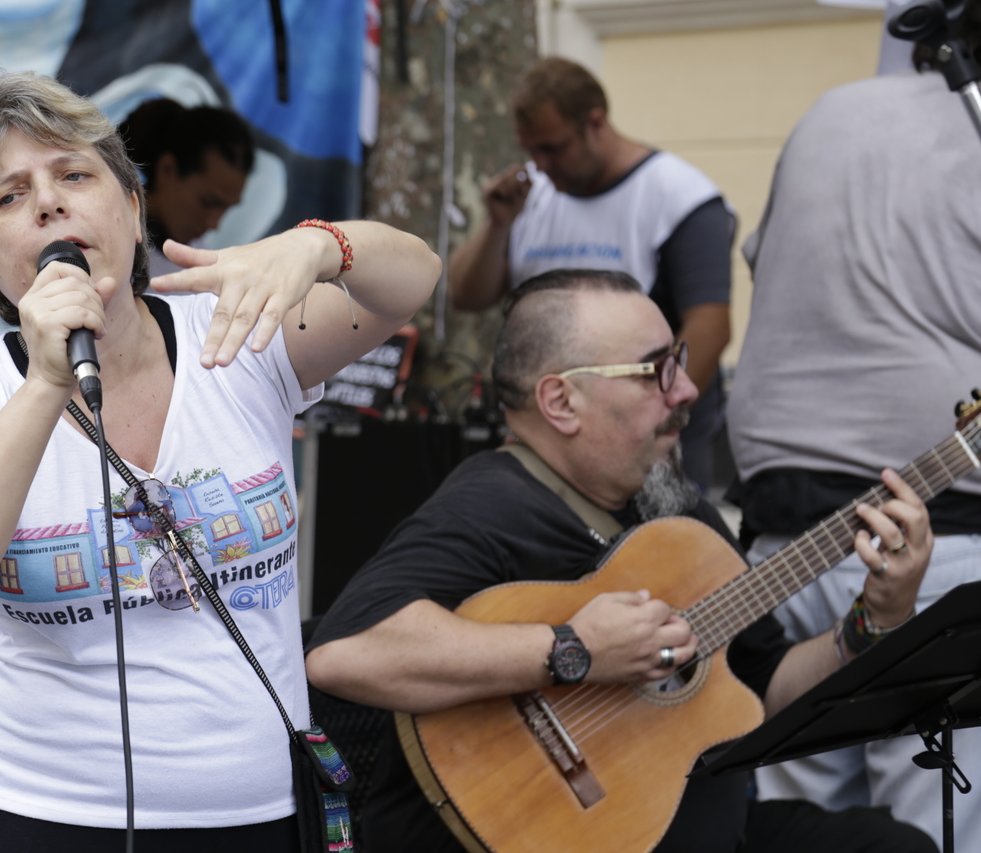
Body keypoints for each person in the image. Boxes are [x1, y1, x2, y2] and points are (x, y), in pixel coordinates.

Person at [0, 71, 439, 852]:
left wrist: (319, 246)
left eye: (74, 175)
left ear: (134, 206)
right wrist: (45, 384)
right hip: (52, 819)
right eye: (10, 196)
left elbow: (412, 280)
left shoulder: (236, 335)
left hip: (265, 812)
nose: (49, 204)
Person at [304, 269, 937, 853]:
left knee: (892, 847)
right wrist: (574, 649)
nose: (687, 388)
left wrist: (874, 619)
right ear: (561, 402)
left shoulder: (677, 507)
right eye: (655, 370)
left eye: (678, 361)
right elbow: (346, 654)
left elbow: (765, 688)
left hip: (692, 829)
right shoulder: (489, 506)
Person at [725, 7, 981, 847]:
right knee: (938, 828)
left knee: (813, 834)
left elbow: (767, 258)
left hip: (781, 552)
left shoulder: (834, 109)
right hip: (938, 539)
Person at [447, 57, 733, 490]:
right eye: (530, 150)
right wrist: (498, 224)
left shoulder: (677, 197)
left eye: (553, 148)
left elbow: (710, 326)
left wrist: (652, 417)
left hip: (649, 454)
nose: (541, 164)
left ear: (595, 122)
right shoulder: (532, 195)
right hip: (544, 451)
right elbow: (465, 295)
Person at [117, 98, 254, 276]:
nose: (214, 224)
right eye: (207, 202)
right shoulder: (107, 245)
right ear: (167, 170)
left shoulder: (202, 264)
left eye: (226, 208)